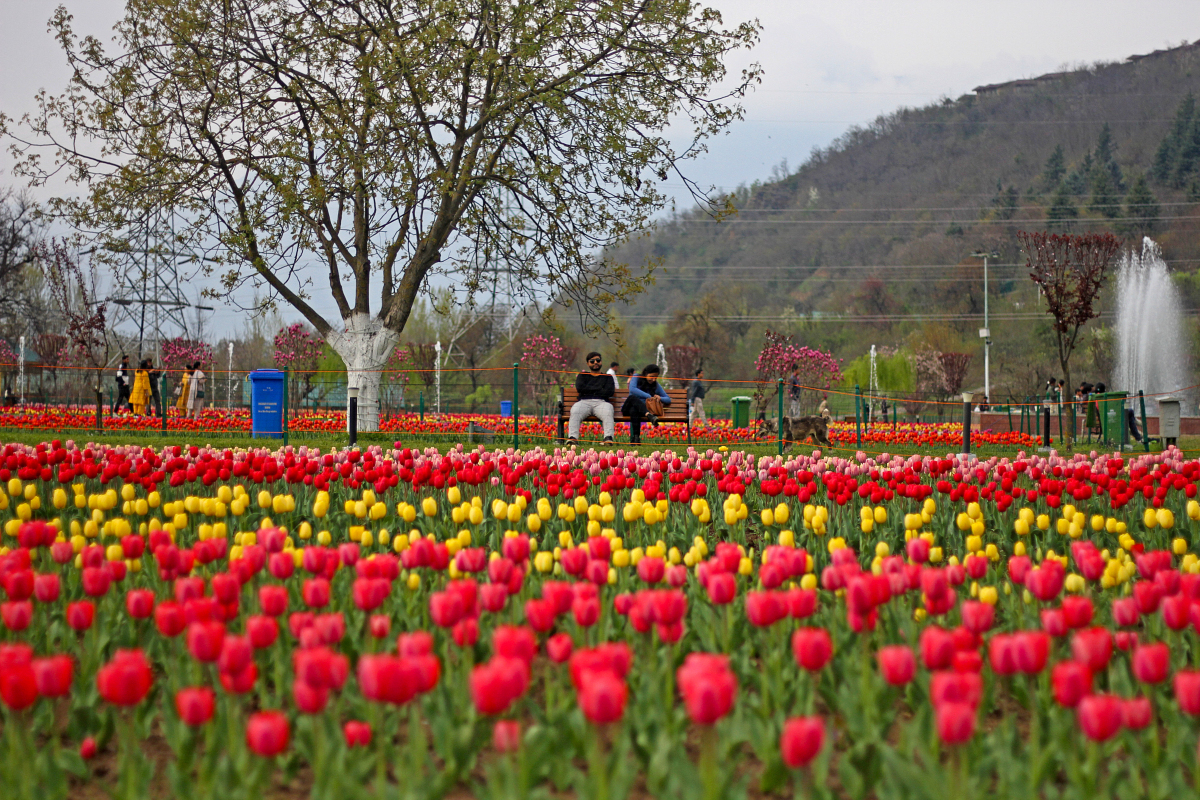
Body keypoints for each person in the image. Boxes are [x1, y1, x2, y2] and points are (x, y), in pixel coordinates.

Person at [567, 352, 615, 446]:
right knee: (575, 410)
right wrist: (600, 389)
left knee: (608, 410)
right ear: (588, 364)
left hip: (601, 402)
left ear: (601, 362)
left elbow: (609, 392)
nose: (595, 362)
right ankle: (573, 438)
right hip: (584, 401)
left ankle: (608, 438)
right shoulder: (582, 375)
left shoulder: (608, 377)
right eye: (592, 361)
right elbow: (580, 388)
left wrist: (589, 389)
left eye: (598, 360)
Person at [623, 364, 671, 444]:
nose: (654, 379)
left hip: (640, 411)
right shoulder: (636, 377)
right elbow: (632, 389)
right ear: (645, 373)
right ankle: (649, 416)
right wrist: (649, 396)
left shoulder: (656, 385)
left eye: (656, 377)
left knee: (634, 410)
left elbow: (668, 399)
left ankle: (636, 438)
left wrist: (660, 398)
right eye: (651, 376)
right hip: (627, 408)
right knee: (632, 397)